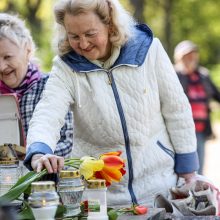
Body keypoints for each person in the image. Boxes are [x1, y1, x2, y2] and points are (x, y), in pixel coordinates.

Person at [24, 0, 199, 207]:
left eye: (90, 34)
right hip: (99, 192)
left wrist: (188, 167)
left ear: (110, 25)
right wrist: (39, 151)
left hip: (159, 186)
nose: (83, 44)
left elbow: (176, 108)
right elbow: (47, 113)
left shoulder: (150, 50)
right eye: (74, 36)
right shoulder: (65, 67)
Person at [0, 13, 74, 164]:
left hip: (45, 180)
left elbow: (68, 142)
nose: (1, 66)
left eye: (7, 57)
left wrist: (33, 154)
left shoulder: (52, 87)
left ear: (27, 49)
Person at [174, 40, 220, 175]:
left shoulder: (203, 75)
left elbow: (216, 94)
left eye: (194, 54)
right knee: (183, 168)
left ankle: (197, 195)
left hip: (200, 128)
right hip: (180, 129)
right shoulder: (173, 74)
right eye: (187, 55)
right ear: (180, 57)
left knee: (198, 167)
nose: (191, 58)